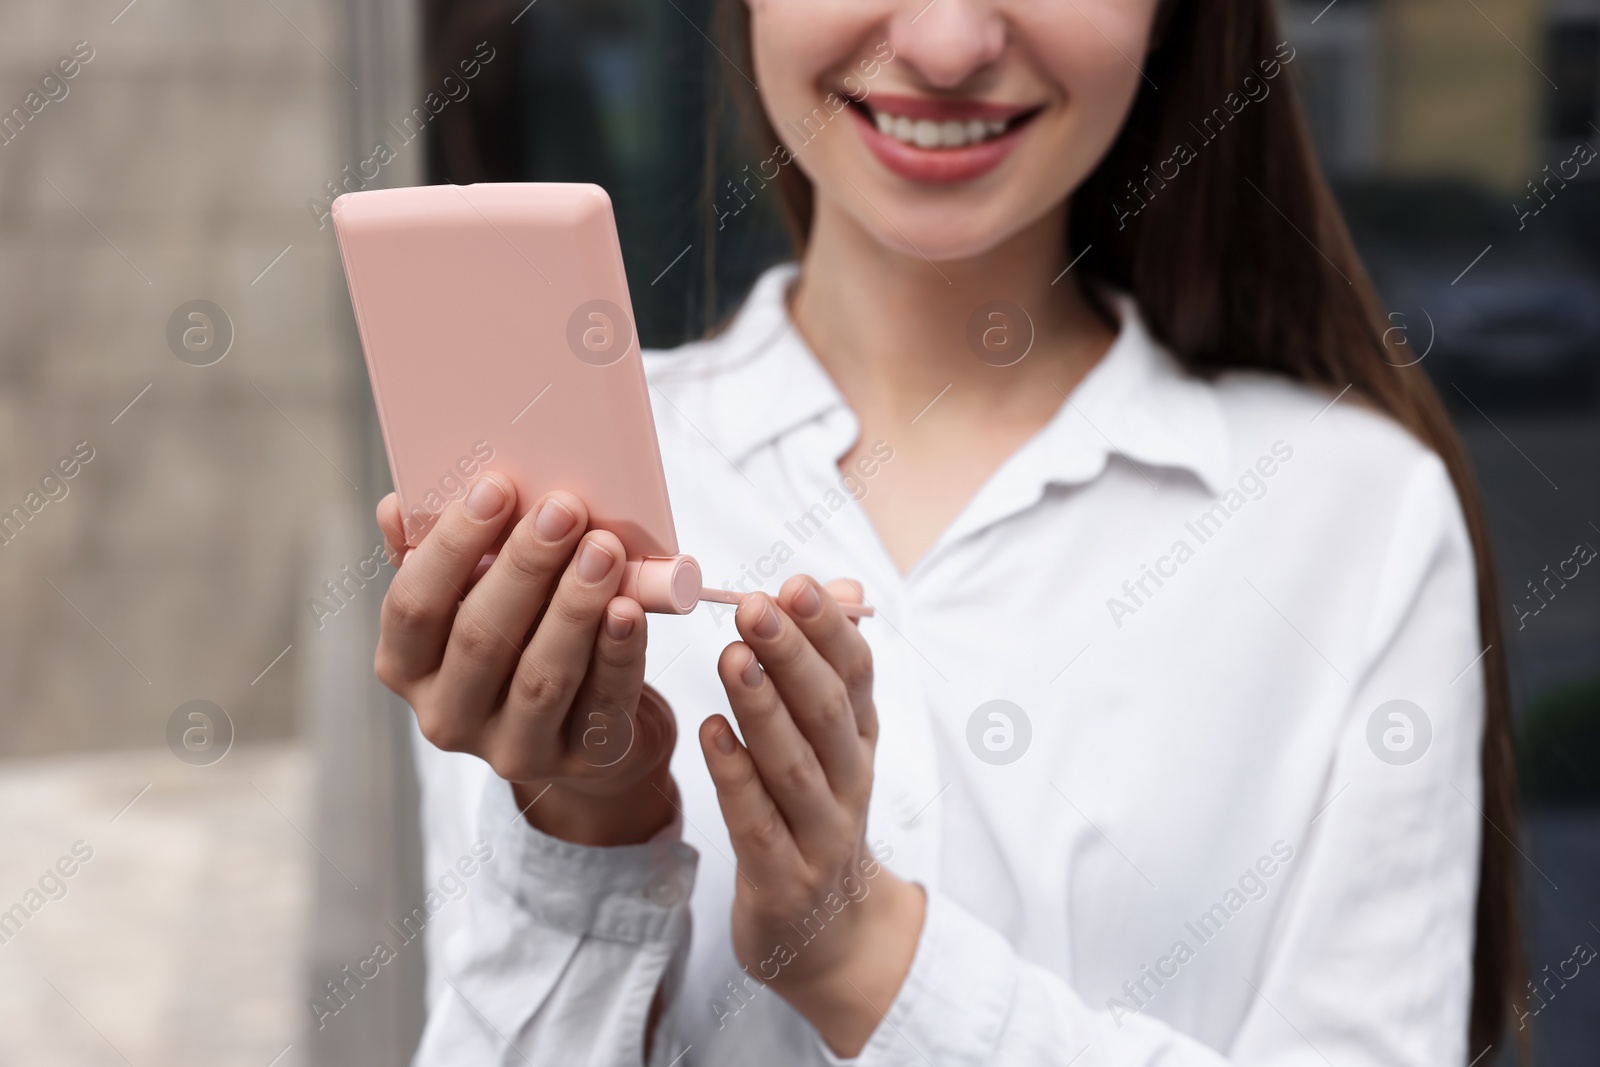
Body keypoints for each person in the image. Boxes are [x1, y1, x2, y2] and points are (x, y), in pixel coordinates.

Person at [372, 1, 1521, 1063]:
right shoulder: (554, 499)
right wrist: (586, 835)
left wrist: (865, 955)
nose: (946, 43)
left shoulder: (1353, 514)